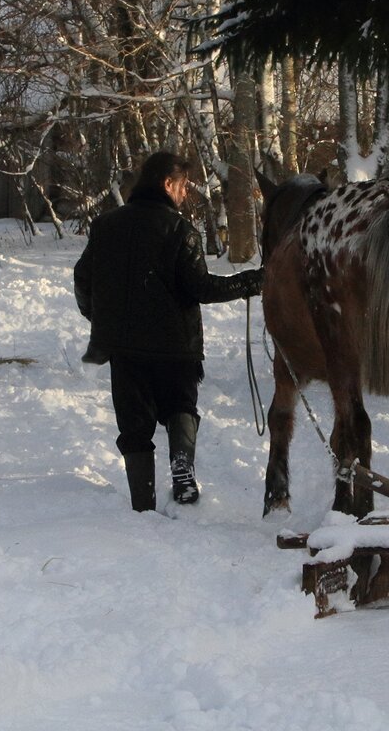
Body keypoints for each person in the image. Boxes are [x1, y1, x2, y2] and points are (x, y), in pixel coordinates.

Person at [74, 151, 263, 512]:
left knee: (134, 426)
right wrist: (249, 283)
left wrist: (99, 318)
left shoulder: (106, 225)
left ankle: (142, 501)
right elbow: (201, 289)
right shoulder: (179, 229)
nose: (183, 194)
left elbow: (83, 279)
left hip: (124, 348)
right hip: (176, 346)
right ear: (167, 184)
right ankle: (181, 472)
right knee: (180, 407)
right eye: (182, 187)